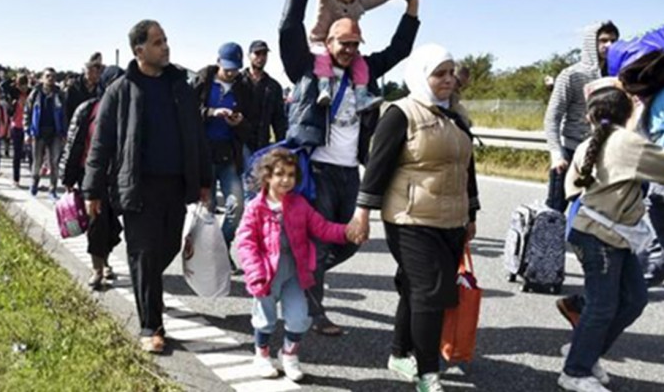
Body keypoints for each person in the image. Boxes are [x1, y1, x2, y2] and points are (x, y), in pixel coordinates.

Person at [282, 0, 420, 336]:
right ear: (328, 41)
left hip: (350, 172)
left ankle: (304, 270)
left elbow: (398, 51)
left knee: (350, 241)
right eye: (343, 43)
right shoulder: (308, 72)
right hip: (318, 170)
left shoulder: (365, 73)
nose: (350, 49)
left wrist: (411, 8)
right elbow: (289, 30)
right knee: (320, 241)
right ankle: (314, 313)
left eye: (355, 43)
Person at [352, 44, 479, 392]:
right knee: (431, 292)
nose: (448, 80)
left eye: (451, 73)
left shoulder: (456, 116)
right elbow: (376, 166)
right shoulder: (401, 113)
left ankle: (398, 353)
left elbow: (467, 167)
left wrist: (472, 212)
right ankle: (428, 373)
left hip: (451, 220)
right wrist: (362, 212)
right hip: (410, 219)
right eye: (440, 73)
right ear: (422, 76)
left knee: (414, 289)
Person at [83, 19, 211, 353]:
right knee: (144, 253)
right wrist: (92, 190)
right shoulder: (121, 90)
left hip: (175, 186)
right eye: (157, 42)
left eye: (166, 40)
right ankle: (150, 326)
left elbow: (197, 137)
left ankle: (148, 288)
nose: (165, 46)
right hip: (137, 188)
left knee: (165, 247)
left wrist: (205, 181)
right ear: (139, 50)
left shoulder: (180, 87)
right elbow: (101, 145)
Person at [557, 85, 663, 392]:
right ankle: (575, 370)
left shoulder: (588, 144)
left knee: (635, 298)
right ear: (627, 113)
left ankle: (582, 351)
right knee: (603, 306)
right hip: (601, 235)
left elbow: (571, 188)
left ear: (590, 116)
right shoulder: (627, 143)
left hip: (600, 231)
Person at [237, 148, 354, 381]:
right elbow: (245, 243)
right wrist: (254, 272)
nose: (286, 180)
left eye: (291, 175)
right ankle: (261, 355)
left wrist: (347, 232)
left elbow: (322, 227)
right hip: (266, 274)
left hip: (295, 271)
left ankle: (289, 354)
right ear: (267, 176)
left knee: (300, 317)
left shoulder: (299, 204)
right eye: (280, 174)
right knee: (265, 319)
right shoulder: (255, 208)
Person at [306, 0, 407, 109]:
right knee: (322, 57)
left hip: (344, 46)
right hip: (320, 41)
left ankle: (361, 97)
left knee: (360, 65)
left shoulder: (358, 3)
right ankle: (324, 88)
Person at [543, 22, 620, 213]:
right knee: (554, 215)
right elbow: (552, 117)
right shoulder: (571, 75)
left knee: (594, 215)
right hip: (570, 152)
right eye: (603, 40)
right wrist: (556, 153)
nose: (608, 45)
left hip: (602, 154)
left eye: (613, 41)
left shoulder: (618, 76)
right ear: (590, 42)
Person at [61, 66, 126, 290]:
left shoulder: (130, 112)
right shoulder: (88, 109)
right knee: (97, 224)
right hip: (91, 175)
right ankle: (97, 269)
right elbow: (73, 144)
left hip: (118, 177)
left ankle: (105, 260)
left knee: (110, 225)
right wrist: (68, 176)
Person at [194, 42, 255, 274]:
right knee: (207, 208)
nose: (231, 73)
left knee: (237, 205)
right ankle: (204, 256)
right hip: (204, 153)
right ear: (218, 62)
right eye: (227, 68)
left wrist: (239, 122)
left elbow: (250, 124)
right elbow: (189, 113)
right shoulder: (202, 81)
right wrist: (211, 113)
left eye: (235, 69)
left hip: (229, 154)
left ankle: (221, 247)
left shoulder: (244, 87)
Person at [25, 68, 67, 199]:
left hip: (55, 133)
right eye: (48, 76)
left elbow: (64, 115)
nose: (50, 78)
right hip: (38, 133)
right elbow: (27, 113)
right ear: (42, 78)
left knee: (54, 163)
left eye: (53, 76)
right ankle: (34, 184)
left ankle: (52, 190)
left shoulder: (59, 94)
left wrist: (64, 133)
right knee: (37, 162)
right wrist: (27, 131)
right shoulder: (35, 94)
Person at [241, 40, 287, 154]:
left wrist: (282, 145)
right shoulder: (238, 82)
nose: (261, 57)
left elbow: (279, 119)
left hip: (261, 144)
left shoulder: (274, 86)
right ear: (248, 55)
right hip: (239, 144)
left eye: (264, 54)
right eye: (257, 53)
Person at [65, 52, 105, 126]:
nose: (99, 73)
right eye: (96, 68)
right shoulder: (74, 88)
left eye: (100, 69)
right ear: (88, 70)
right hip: (77, 128)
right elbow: (67, 113)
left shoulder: (101, 88)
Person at [9, 74, 30, 188]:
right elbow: (4, 86)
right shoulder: (14, 94)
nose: (23, 88)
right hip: (16, 126)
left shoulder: (31, 93)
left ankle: (33, 180)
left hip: (29, 127)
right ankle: (16, 179)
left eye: (25, 85)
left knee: (31, 154)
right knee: (17, 155)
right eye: (21, 85)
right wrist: (12, 79)